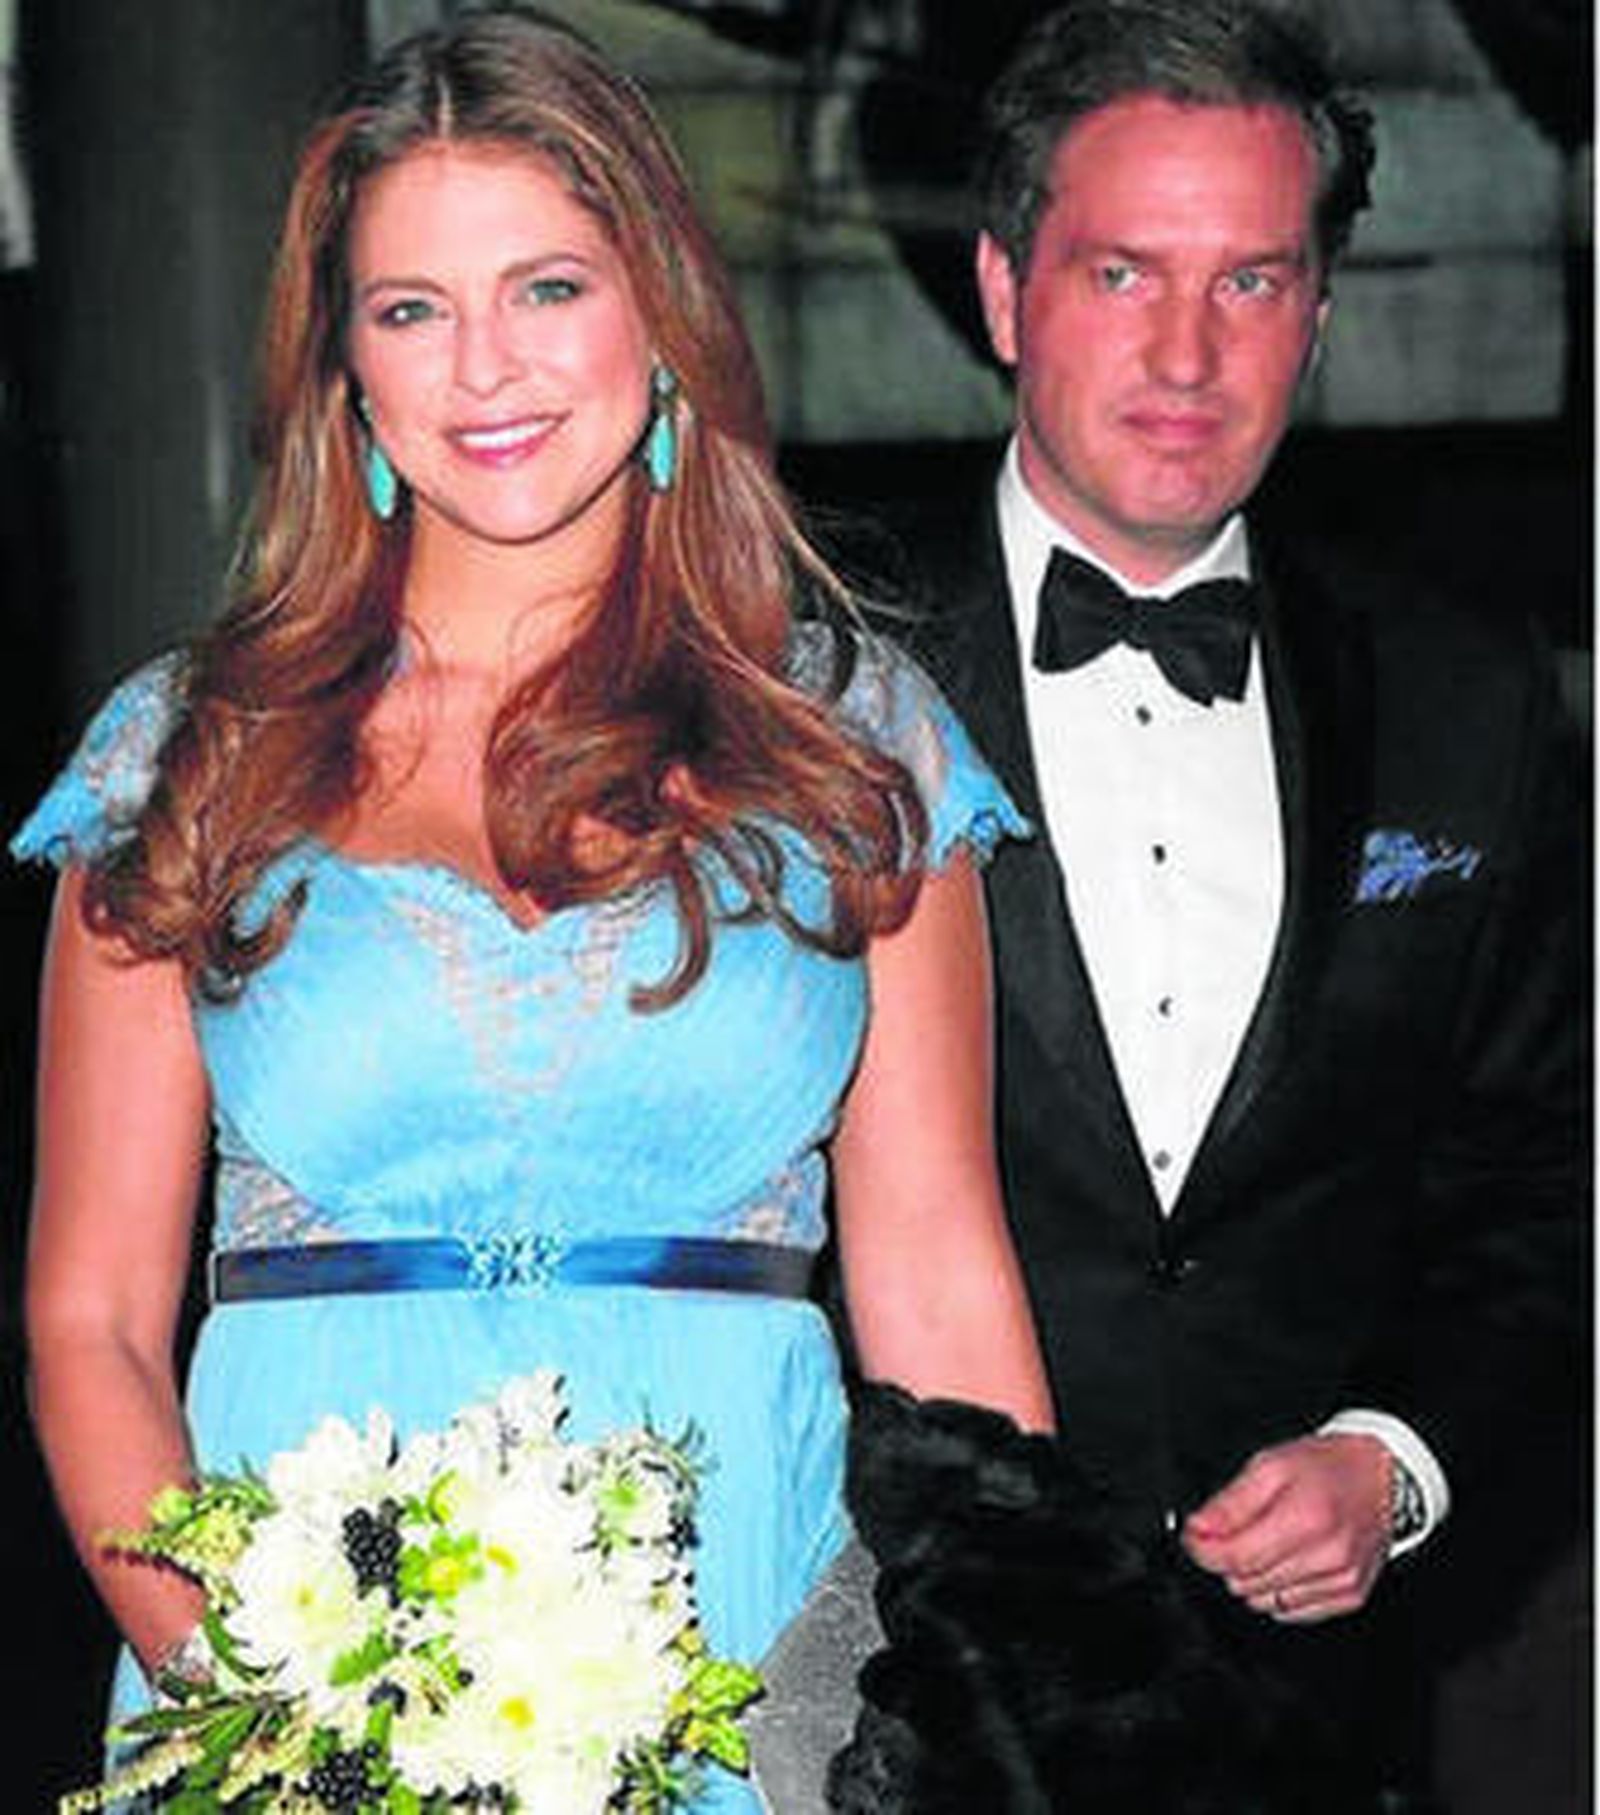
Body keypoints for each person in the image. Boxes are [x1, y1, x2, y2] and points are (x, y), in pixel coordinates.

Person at [12, 10, 1053, 1812]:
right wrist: (274, 1717)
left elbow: (948, 1298)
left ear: (661, 315)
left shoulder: (855, 745)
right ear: (346, 369)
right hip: (283, 1693)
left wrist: (1015, 1707)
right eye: (412, 309)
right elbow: (89, 1325)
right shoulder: (183, 756)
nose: (484, 366)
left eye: (548, 288)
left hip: (764, 1669)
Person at [837, 0, 1588, 1806]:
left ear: (1317, 314)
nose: (1187, 352)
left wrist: (1395, 1458)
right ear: (1006, 291)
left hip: (1308, 1721)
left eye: (1251, 281)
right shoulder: (805, 665)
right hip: (865, 1690)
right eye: (1124, 274)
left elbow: (1545, 1186)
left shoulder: (1470, 700)